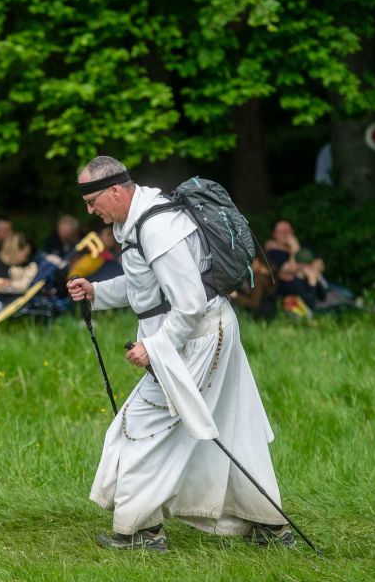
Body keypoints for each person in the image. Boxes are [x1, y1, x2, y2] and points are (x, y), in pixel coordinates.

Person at [67, 156, 292, 552]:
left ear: (116, 190)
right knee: (231, 427)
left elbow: (188, 304)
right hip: (200, 334)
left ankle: (140, 531)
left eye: (93, 200)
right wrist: (97, 293)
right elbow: (148, 291)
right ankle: (269, 525)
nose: (90, 211)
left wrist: (154, 348)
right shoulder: (140, 222)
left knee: (137, 428)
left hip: (200, 338)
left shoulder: (157, 228)